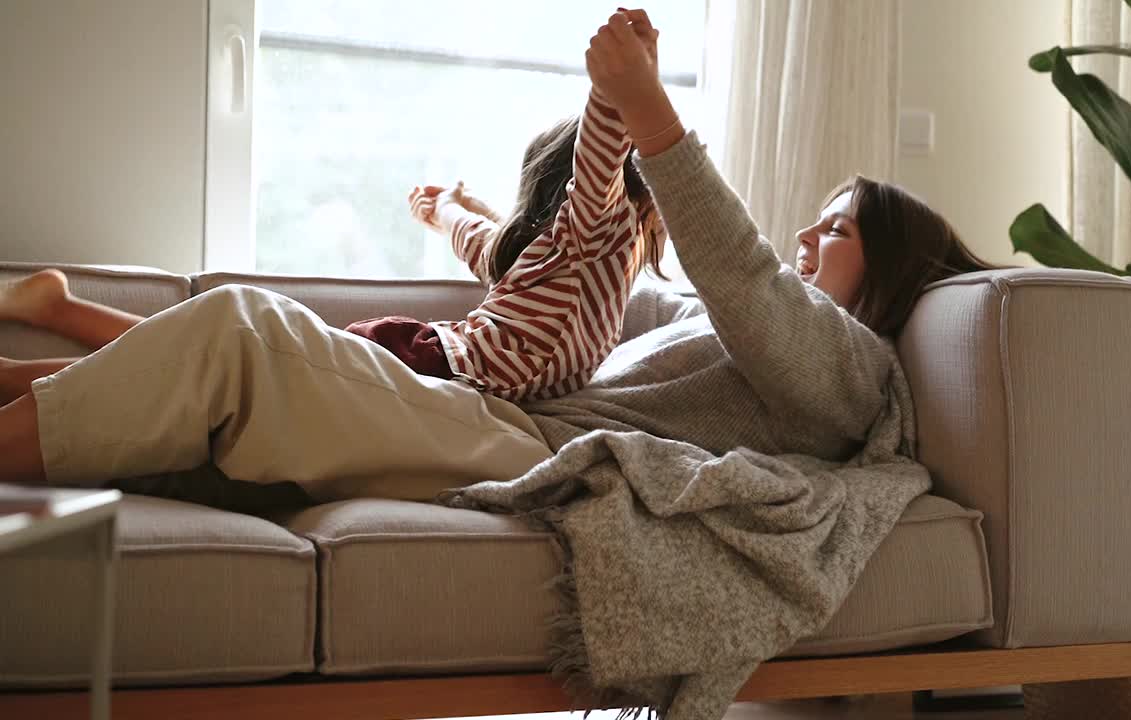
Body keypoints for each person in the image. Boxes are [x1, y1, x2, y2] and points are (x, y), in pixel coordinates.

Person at [0, 9, 996, 504]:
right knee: (233, 365)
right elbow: (589, 245)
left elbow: (742, 278)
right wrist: (485, 221)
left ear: (895, 267)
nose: (806, 239)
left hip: (535, 448)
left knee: (241, 331)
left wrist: (642, 108)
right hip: (503, 417)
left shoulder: (849, 368)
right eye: (813, 220)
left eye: (838, 229)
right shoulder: (731, 320)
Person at [345, 83, 669, 401]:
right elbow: (486, 243)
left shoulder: (579, 257)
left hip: (460, 370)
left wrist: (455, 208)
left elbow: (491, 246)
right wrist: (622, 82)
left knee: (342, 353)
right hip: (446, 364)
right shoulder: (605, 232)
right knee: (350, 348)